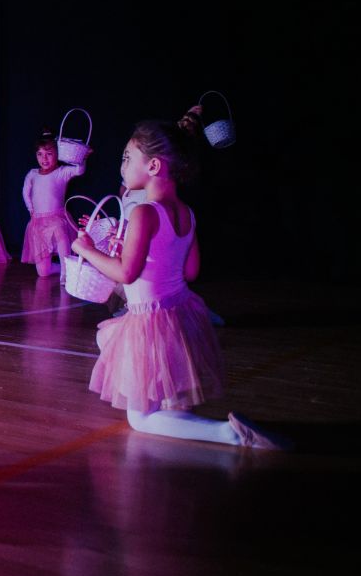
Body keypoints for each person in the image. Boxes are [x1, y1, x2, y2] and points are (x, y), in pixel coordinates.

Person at [72, 121, 284, 449]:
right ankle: (184, 413)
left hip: (149, 319)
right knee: (118, 349)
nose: (122, 165)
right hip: (178, 313)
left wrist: (86, 250)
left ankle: (228, 435)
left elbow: (126, 274)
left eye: (128, 158)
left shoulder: (143, 212)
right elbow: (192, 269)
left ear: (153, 165)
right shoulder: (187, 212)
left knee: (138, 419)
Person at [21, 133, 86, 277]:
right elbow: (25, 192)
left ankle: (66, 270)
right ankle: (60, 268)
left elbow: (78, 170)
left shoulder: (61, 172)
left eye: (49, 154)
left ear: (58, 154)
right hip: (38, 221)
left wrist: (82, 159)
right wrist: (30, 209)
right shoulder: (32, 173)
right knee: (43, 273)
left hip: (57, 217)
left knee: (60, 233)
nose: (44, 158)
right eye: (40, 154)